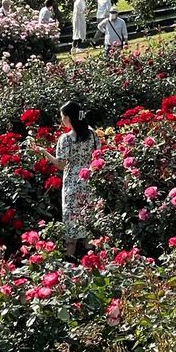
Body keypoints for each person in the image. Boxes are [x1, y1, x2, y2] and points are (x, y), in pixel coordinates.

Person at [37, 101, 99, 258]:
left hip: (72, 184)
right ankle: (94, 264)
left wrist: (44, 152)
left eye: (62, 117)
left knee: (71, 229)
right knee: (89, 227)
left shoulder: (66, 139)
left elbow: (60, 164)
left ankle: (70, 266)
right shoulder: (92, 134)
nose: (61, 120)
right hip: (89, 182)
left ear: (69, 118)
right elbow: (98, 156)